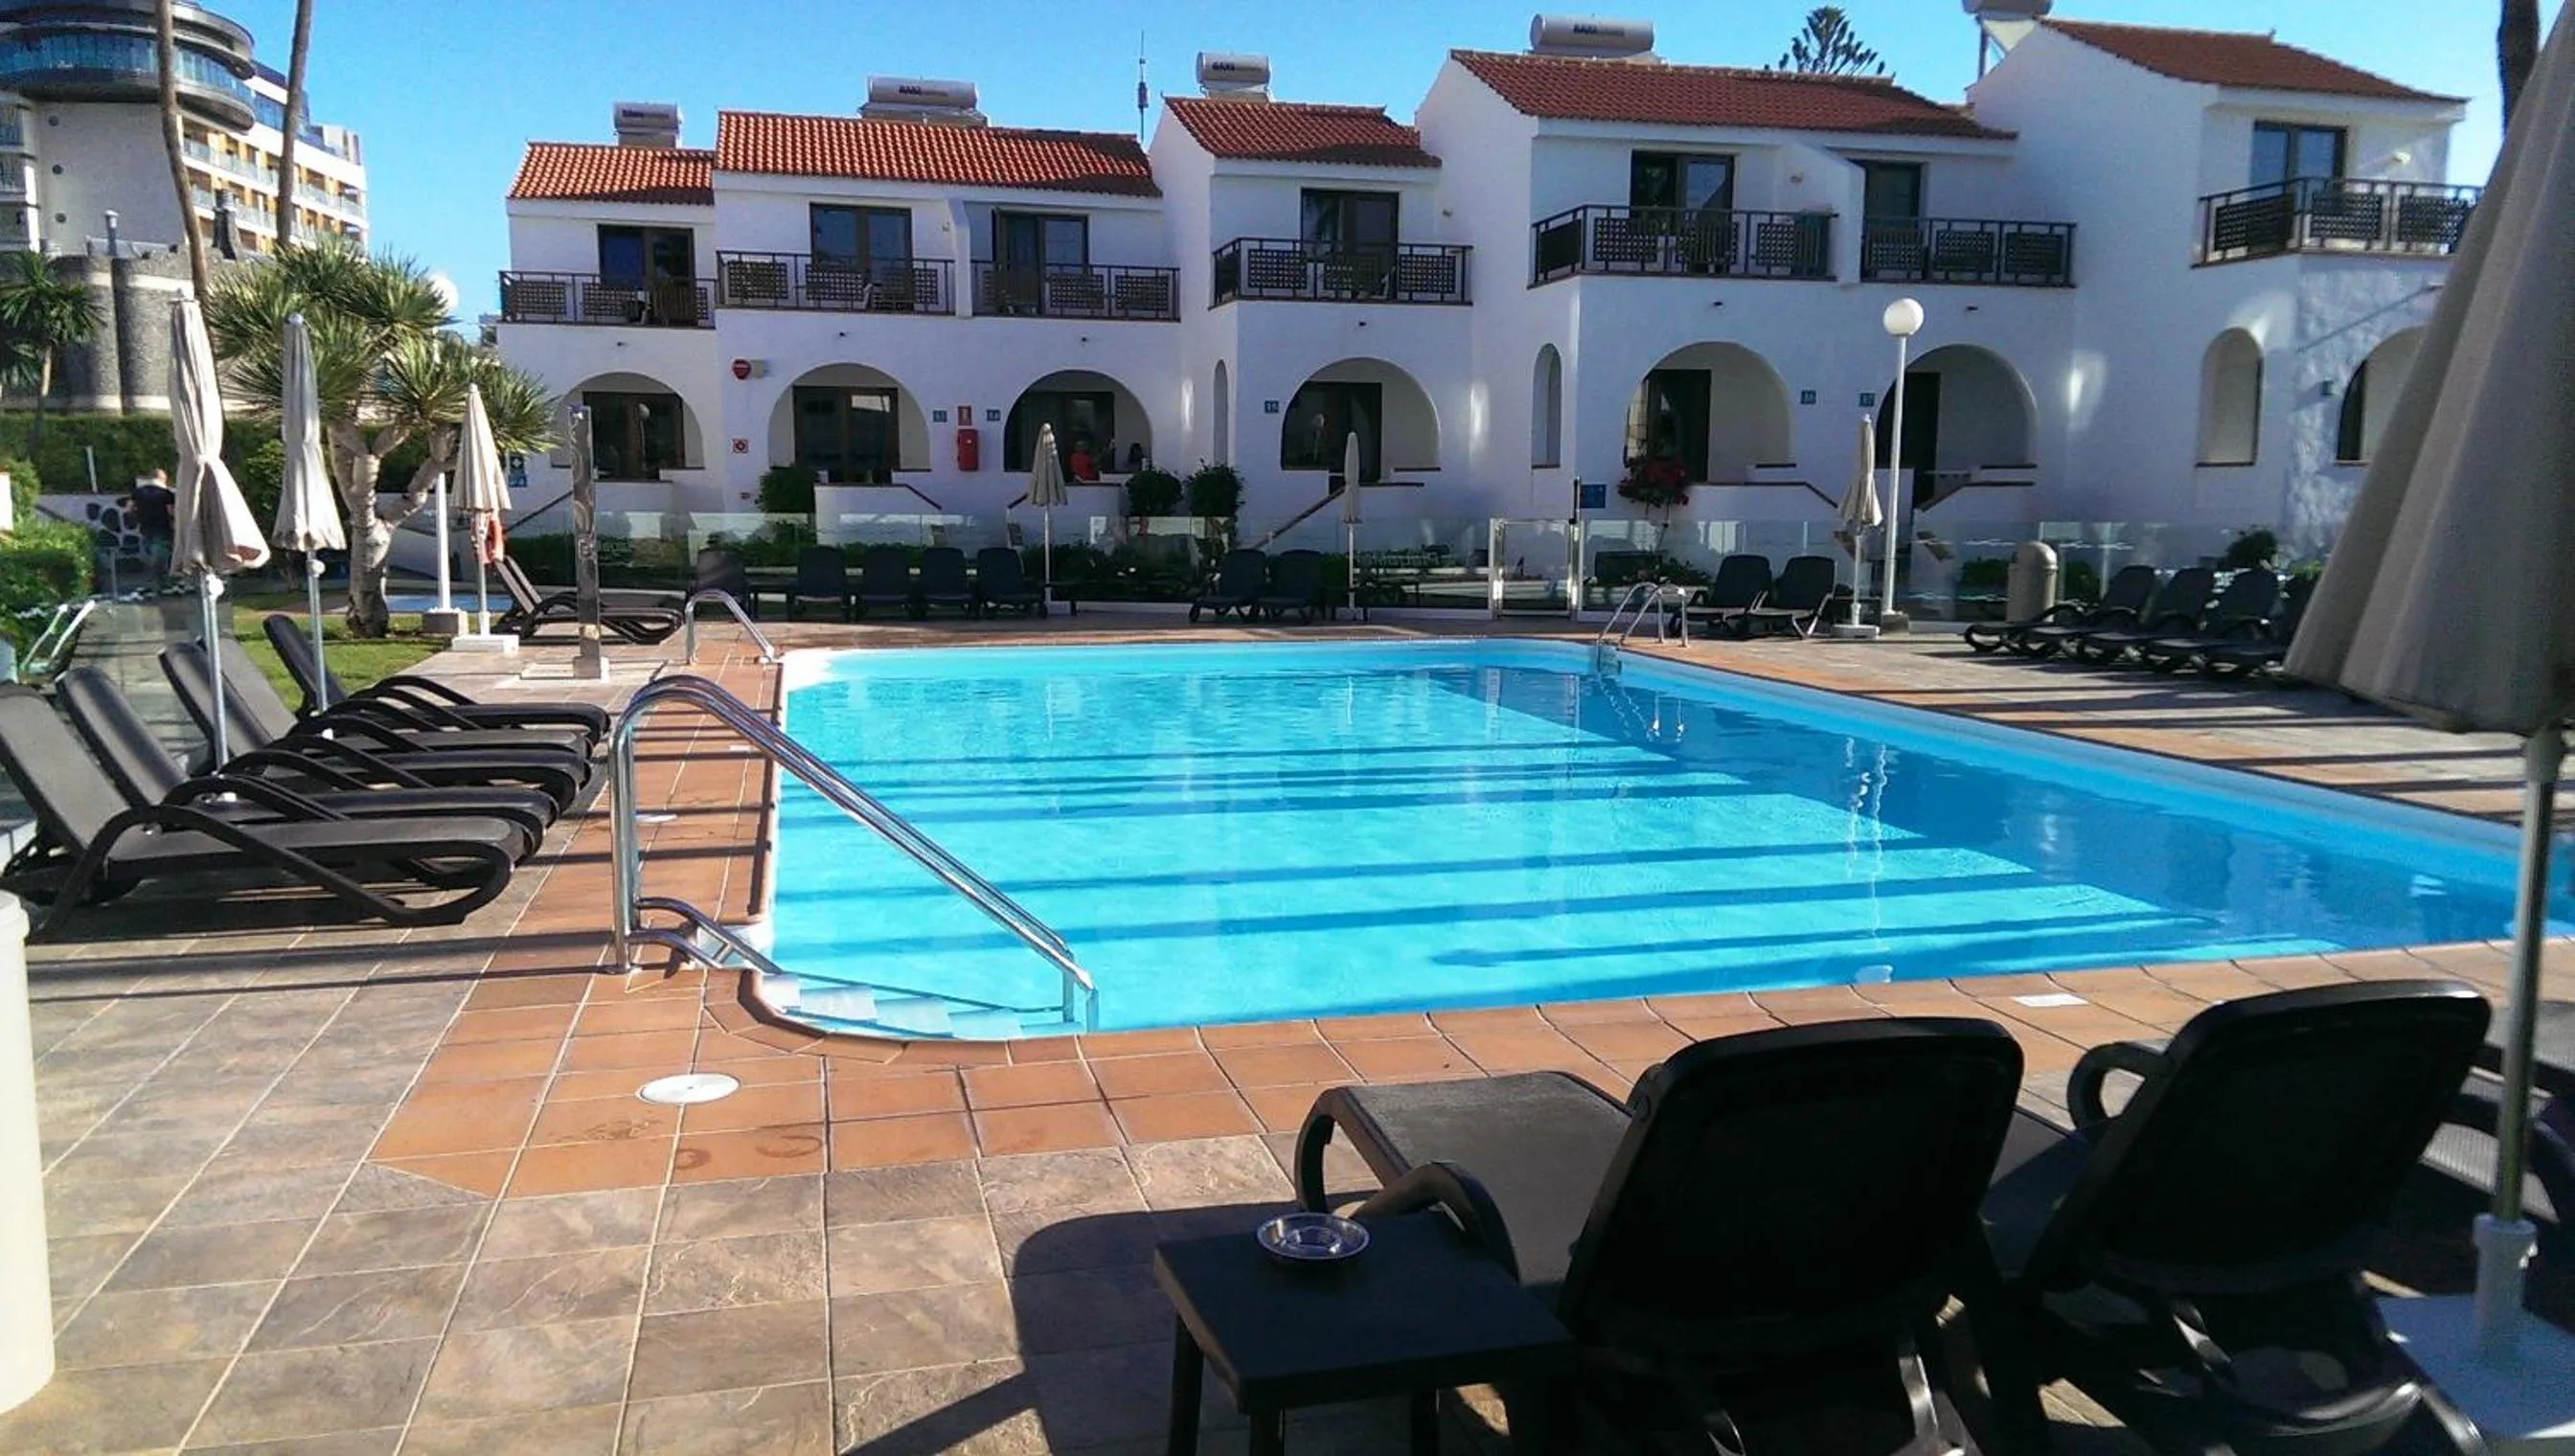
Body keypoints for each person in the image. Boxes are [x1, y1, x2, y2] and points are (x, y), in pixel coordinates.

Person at [123, 469, 175, 582]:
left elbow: (128, 509)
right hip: (162, 528)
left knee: (150, 552)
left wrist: (136, 517)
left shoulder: (138, 492)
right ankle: (162, 581)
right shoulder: (166, 494)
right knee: (160, 556)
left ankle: (155, 580)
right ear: (162, 479)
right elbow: (171, 512)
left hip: (145, 528)